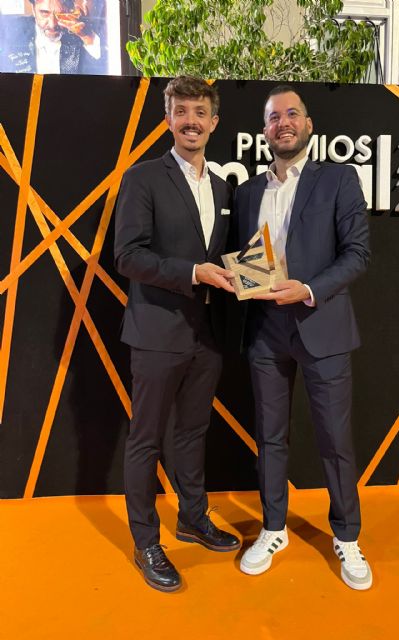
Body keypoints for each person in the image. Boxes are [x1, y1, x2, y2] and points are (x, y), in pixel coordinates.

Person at [234, 85, 372, 590]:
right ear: (265, 130)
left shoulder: (338, 179)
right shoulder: (248, 191)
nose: (284, 123)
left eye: (292, 114)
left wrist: (309, 289)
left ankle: (347, 536)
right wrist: (241, 279)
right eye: (274, 117)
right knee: (270, 437)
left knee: (335, 440)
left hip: (322, 326)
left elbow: (357, 253)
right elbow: (249, 260)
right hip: (265, 331)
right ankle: (273, 528)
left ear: (308, 125)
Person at [114, 76, 240, 593]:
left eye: (200, 112)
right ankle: (146, 541)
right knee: (145, 439)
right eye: (182, 111)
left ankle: (192, 517)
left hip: (208, 334)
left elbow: (228, 256)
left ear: (214, 121)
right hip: (157, 331)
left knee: (192, 432)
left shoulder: (224, 187)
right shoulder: (142, 178)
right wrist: (192, 272)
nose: (191, 121)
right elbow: (128, 256)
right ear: (168, 119)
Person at [0, 0, 105, 75]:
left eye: (60, 14)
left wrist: (87, 36)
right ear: (33, 10)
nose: (52, 24)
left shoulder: (82, 35)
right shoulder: (10, 30)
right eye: (44, 13)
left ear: (70, 10)